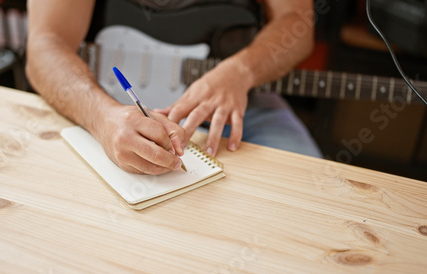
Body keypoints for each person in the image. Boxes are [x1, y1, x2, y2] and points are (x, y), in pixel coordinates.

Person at [26, 0, 322, 175]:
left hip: (242, 96)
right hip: (106, 104)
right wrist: (103, 117)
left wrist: (241, 71)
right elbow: (45, 45)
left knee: (312, 186)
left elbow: (298, 20)